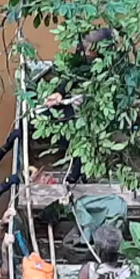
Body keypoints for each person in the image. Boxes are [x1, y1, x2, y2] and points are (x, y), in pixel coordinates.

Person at [38, 28, 116, 183]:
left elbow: (109, 98)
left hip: (97, 110)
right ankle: (67, 146)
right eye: (84, 48)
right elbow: (72, 74)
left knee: (84, 138)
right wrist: (59, 92)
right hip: (76, 101)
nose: (85, 53)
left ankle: (76, 173)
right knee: (44, 115)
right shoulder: (82, 54)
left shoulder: (111, 67)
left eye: (90, 50)